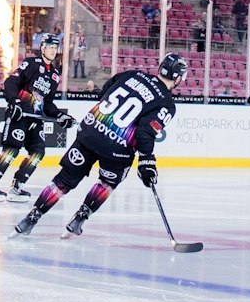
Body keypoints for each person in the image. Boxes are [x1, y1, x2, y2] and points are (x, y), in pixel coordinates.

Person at [12, 52, 185, 239]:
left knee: (62, 181)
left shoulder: (134, 74)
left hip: (90, 132)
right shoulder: (167, 104)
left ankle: (31, 218)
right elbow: (145, 132)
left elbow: (106, 90)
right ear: (178, 78)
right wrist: (147, 161)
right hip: (117, 150)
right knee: (108, 183)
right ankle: (80, 217)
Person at [0, 33, 73, 200]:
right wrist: (14, 102)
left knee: (38, 152)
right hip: (20, 115)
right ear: (42, 48)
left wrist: (60, 116)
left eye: (56, 47)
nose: (53, 50)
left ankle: (18, 186)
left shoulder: (55, 75)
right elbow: (11, 82)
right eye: (50, 47)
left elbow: (47, 103)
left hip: (35, 119)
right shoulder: (31, 63)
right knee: (11, 149)